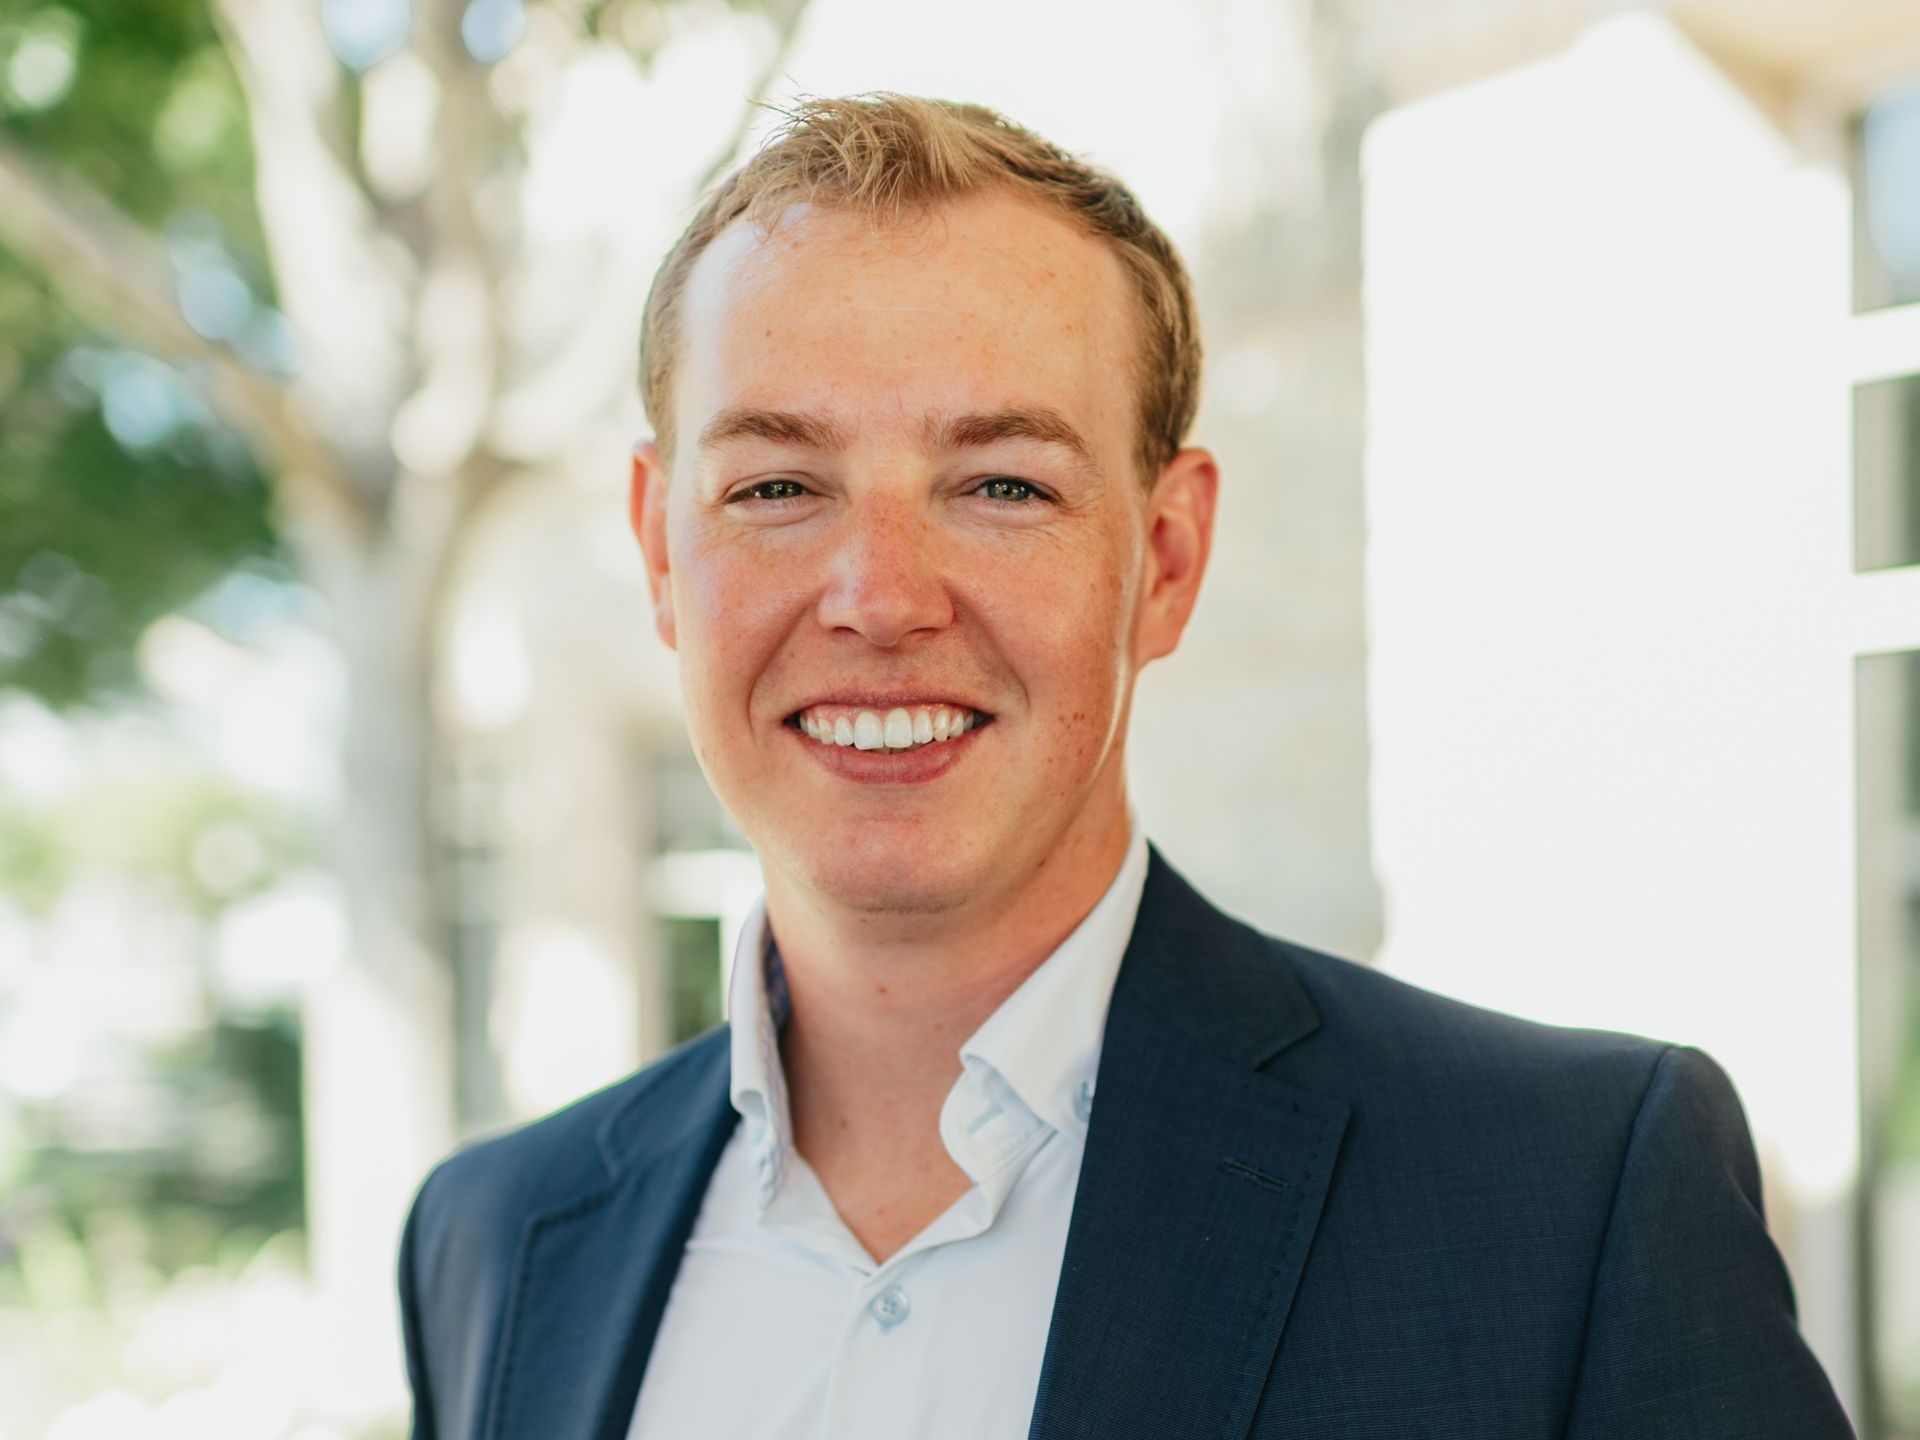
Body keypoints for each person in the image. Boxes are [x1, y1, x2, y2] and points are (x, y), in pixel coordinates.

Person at [394, 93, 1853, 1439]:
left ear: (1166, 557)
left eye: (1001, 485)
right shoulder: (493, 1244)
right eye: (778, 485)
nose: (881, 597)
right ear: (662, 551)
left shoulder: (1572, 1202)